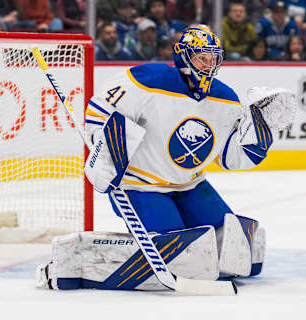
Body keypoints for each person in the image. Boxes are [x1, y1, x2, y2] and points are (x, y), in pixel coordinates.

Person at [36, 25, 288, 291]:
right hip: (140, 188)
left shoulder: (225, 98)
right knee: (182, 256)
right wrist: (105, 151)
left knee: (234, 250)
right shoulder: (147, 80)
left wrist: (260, 134)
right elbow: (100, 113)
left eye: (214, 58)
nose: (209, 64)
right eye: (202, 57)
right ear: (184, 56)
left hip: (191, 187)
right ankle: (80, 265)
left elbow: (228, 157)